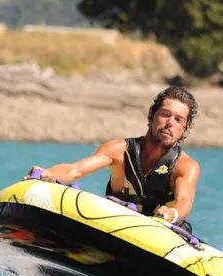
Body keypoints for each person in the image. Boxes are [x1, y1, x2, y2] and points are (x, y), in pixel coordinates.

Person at [28, 86, 201, 231]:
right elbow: (76, 170)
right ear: (151, 115)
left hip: (161, 234)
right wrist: (46, 174)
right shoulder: (119, 151)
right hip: (117, 227)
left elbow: (184, 201)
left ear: (185, 129)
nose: (170, 123)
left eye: (178, 119)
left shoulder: (185, 166)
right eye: (165, 114)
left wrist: (172, 213)